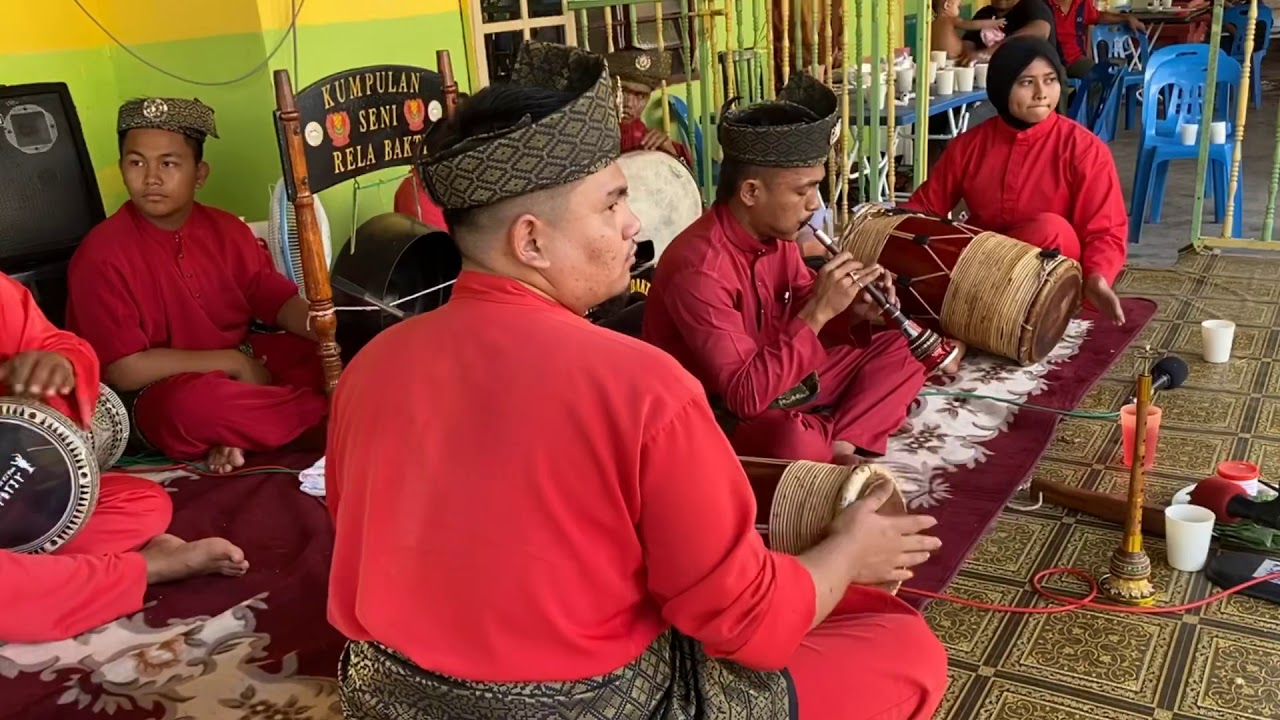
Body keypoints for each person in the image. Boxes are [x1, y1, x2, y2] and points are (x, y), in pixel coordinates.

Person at [327, 41, 947, 719]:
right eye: (612, 205)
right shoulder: (645, 385)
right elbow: (748, 626)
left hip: (392, 695)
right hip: (590, 703)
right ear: (531, 242)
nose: (633, 225)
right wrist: (851, 547)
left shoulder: (370, 367)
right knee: (901, 647)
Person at [642, 75, 963, 465]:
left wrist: (854, 308)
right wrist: (819, 313)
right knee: (796, 444)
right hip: (726, 406)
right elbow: (744, 395)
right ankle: (837, 432)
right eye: (802, 191)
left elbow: (800, 301)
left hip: (783, 375)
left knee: (901, 345)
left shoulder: (777, 235)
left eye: (817, 188)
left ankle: (844, 442)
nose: (814, 204)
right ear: (751, 193)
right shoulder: (699, 268)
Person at [66, 97, 328, 474]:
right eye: (136, 162)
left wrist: (329, 331)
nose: (151, 178)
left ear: (199, 174)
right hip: (158, 392)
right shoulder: (101, 254)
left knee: (329, 358)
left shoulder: (227, 229)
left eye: (169, 164)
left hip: (249, 362)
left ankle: (246, 431)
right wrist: (233, 363)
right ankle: (330, 413)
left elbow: (274, 300)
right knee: (197, 408)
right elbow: (122, 369)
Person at [0, 272, 248, 644]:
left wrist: (60, 363)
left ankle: (46, 579)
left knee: (143, 504)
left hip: (15, 502)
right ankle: (145, 568)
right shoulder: (104, 255)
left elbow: (60, 343)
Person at [903, 37, 1127, 325]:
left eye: (1049, 80)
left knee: (1051, 229)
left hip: (1047, 273)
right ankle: (968, 311)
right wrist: (882, 233)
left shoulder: (1085, 149)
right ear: (1002, 86)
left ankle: (976, 313)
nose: (1041, 93)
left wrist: (1097, 278)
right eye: (1026, 82)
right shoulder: (969, 145)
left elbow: (1105, 230)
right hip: (980, 265)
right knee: (938, 240)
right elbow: (925, 208)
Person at [606, 47, 694, 166]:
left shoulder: (655, 144)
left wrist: (671, 153)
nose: (629, 103)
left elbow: (683, 181)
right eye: (624, 91)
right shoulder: (590, 140)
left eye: (640, 96)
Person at [1049, 0, 1145, 80]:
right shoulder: (1043, 4)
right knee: (1055, 79)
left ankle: (1083, 102)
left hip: (1076, 60)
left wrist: (1126, 18)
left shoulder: (1082, 3)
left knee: (1099, 76)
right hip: (1049, 60)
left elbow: (1097, 16)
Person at [959, 0, 1056, 65]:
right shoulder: (984, 14)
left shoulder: (1033, 5)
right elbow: (967, 43)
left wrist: (987, 54)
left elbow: (1039, 30)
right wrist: (969, 58)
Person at [933, 0, 1007, 60]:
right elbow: (972, 25)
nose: (959, 10)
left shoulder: (932, 23)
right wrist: (993, 23)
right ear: (947, 5)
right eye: (958, 7)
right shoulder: (951, 20)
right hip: (953, 57)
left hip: (937, 58)